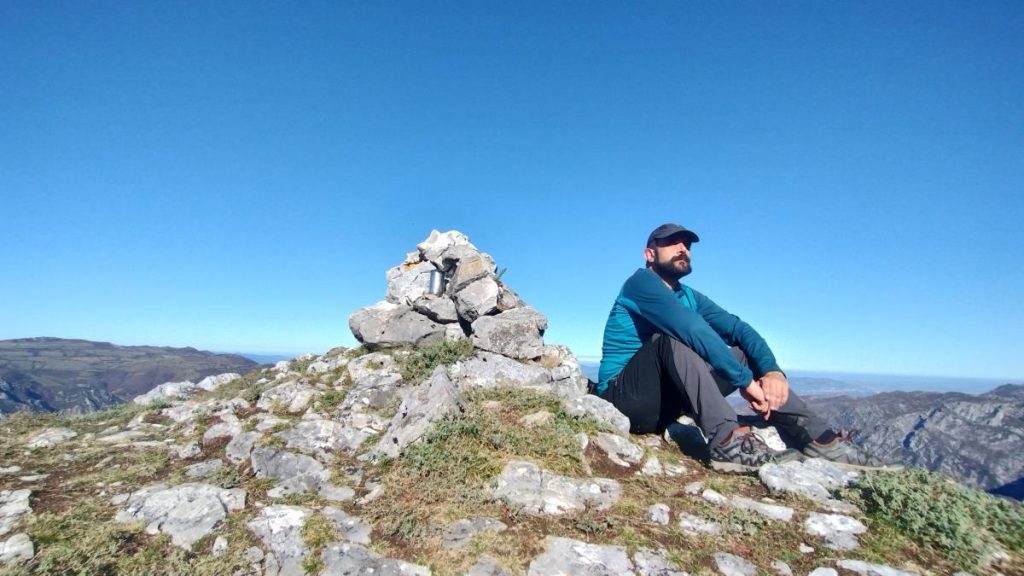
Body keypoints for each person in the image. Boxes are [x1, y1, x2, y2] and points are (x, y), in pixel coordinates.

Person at [596, 223, 898, 472]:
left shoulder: (688, 295)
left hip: (667, 402)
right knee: (671, 339)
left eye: (687, 245)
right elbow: (691, 329)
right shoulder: (640, 284)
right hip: (624, 400)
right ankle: (727, 442)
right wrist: (743, 381)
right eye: (672, 243)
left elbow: (739, 329)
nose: (683, 249)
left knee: (742, 351)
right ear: (650, 254)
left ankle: (819, 439)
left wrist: (771, 371)